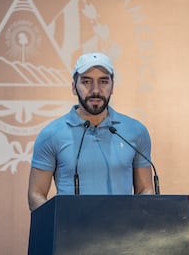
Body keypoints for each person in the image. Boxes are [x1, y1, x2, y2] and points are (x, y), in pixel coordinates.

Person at [27, 52, 154, 211]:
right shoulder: (52, 135)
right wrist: (58, 225)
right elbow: (36, 194)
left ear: (112, 86)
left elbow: (145, 190)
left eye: (103, 81)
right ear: (74, 87)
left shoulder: (135, 132)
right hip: (70, 234)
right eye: (86, 81)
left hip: (122, 233)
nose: (96, 90)